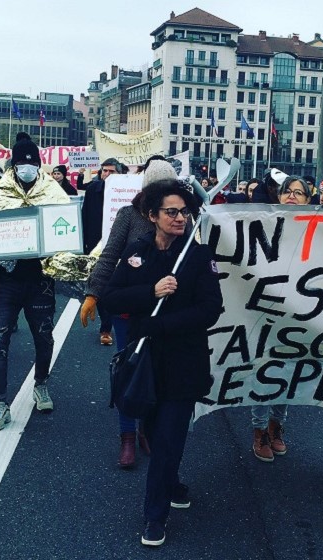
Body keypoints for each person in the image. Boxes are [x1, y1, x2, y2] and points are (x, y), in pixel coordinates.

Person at [101, 180, 223, 547]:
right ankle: (172, 483)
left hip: (184, 363)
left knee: (168, 441)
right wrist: (150, 292)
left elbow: (210, 309)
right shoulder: (137, 252)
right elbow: (111, 296)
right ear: (152, 215)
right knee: (153, 435)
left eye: (184, 211)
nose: (180, 218)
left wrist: (161, 324)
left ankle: (154, 516)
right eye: (171, 211)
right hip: (146, 363)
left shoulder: (198, 256)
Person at [80, 159, 180, 467]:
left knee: (160, 372)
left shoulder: (182, 217)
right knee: (129, 369)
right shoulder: (128, 215)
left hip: (166, 312)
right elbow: (109, 255)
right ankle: (126, 436)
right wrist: (93, 293)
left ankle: (145, 429)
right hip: (129, 311)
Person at [0, 135, 69, 430]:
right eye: (21, 163)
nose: (27, 168)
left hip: (40, 281)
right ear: (13, 166)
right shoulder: (0, 193)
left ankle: (41, 384)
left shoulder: (54, 192)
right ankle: (0, 403)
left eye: (32, 163)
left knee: (44, 339)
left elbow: (66, 231)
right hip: (7, 281)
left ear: (39, 165)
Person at [250, 174, 310, 462]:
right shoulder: (263, 223)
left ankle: (277, 426)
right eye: (288, 191)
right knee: (265, 370)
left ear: (308, 201)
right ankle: (259, 430)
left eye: (299, 193)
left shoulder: (319, 231)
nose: (293, 196)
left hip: (302, 314)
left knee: (288, 374)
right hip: (267, 310)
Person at [80, 157, 119, 346]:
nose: (108, 175)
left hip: (118, 245)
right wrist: (84, 246)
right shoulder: (92, 190)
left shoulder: (125, 193)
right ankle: (106, 326)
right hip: (95, 245)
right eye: (105, 171)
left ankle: (106, 327)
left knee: (113, 286)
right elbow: (85, 216)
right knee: (99, 285)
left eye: (112, 172)